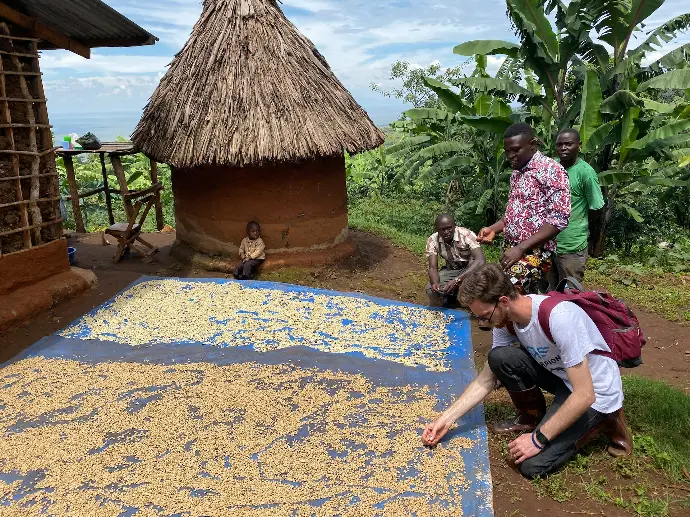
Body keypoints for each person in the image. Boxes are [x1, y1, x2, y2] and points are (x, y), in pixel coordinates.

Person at [422, 263, 632, 479]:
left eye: (484, 316)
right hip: (562, 376)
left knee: (531, 465)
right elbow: (486, 379)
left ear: (503, 301)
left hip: (594, 392)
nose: (483, 323)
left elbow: (585, 394)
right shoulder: (507, 321)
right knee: (499, 357)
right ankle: (532, 418)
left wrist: (537, 439)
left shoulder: (559, 317)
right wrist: (446, 419)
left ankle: (608, 418)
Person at [477, 123, 571, 294]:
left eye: (516, 150)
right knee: (524, 297)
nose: (510, 156)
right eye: (507, 151)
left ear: (532, 144)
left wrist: (521, 248)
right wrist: (493, 229)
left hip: (536, 252)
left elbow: (559, 219)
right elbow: (513, 215)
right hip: (511, 248)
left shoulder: (551, 170)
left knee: (507, 291)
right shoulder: (517, 173)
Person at [550, 128, 605, 290]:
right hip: (549, 243)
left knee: (570, 292)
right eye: (559, 145)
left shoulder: (585, 172)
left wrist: (581, 226)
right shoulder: (553, 168)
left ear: (579, 145)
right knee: (550, 291)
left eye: (568, 144)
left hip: (572, 244)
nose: (563, 148)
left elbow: (596, 208)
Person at [426, 214, 485, 307]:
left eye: (449, 228)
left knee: (478, 290)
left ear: (455, 226)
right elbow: (432, 268)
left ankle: (462, 297)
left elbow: (480, 260)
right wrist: (435, 283)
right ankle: (451, 299)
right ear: (436, 230)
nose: (446, 232)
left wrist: (457, 280)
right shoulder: (432, 240)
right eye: (442, 229)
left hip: (471, 269)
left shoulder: (466, 235)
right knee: (430, 290)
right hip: (452, 269)